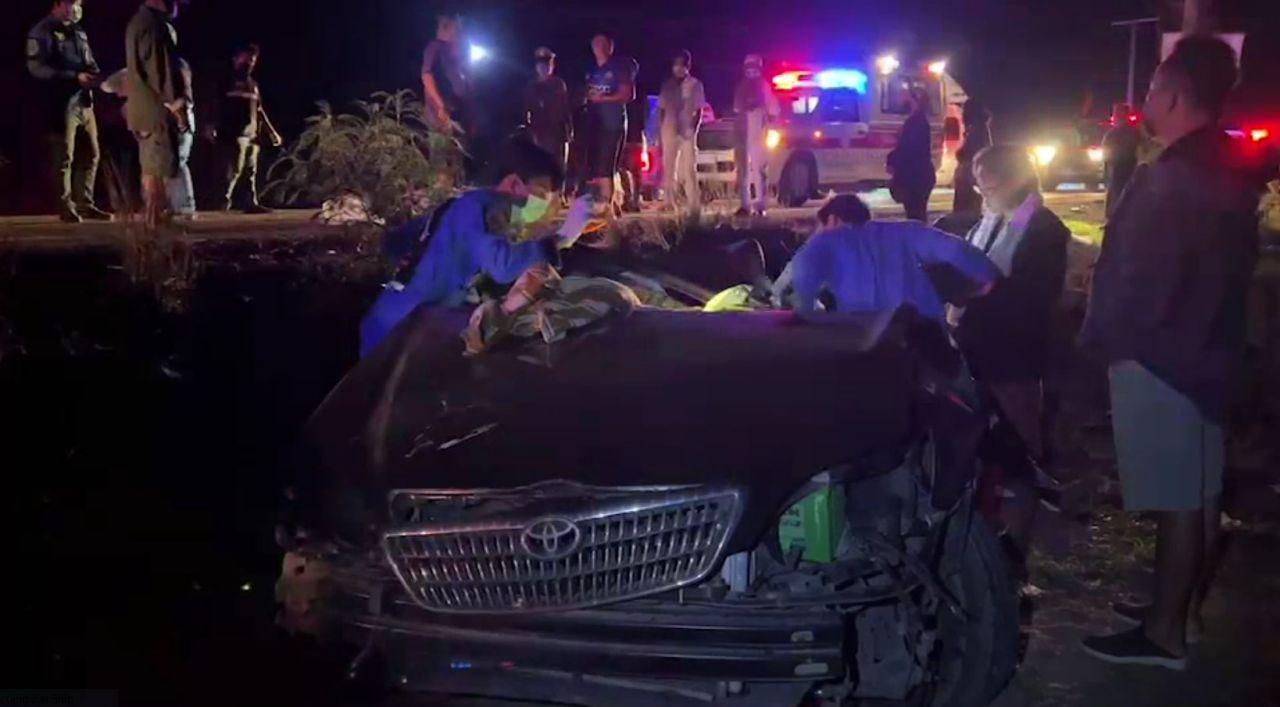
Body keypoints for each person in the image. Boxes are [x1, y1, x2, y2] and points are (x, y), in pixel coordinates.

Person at [1079, 36, 1260, 670]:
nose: (1145, 100)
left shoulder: (1172, 177)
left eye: (1153, 89)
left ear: (1175, 96)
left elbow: (1138, 275)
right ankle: (1182, 610)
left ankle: (1163, 635)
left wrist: (1108, 339)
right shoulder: (1224, 163)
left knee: (1177, 497)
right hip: (1209, 351)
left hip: (1163, 355)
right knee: (1201, 491)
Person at [359, 140, 594, 356]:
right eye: (540, 195)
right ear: (513, 184)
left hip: (403, 316)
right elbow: (502, 266)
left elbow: (396, 242)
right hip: (401, 328)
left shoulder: (471, 205)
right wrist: (561, 238)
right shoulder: (477, 208)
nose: (541, 207)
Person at [780, 194, 999, 319]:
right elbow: (955, 249)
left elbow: (799, 281)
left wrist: (804, 314)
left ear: (834, 219)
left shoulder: (825, 242)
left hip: (867, 334)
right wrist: (990, 276)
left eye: (821, 225)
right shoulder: (906, 231)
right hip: (923, 328)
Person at [27, 0, 110, 223]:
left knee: (91, 153)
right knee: (64, 157)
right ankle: (65, 206)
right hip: (60, 104)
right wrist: (72, 77)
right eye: (71, 3)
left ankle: (85, 204)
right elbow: (36, 68)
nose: (76, 8)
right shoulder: (42, 31)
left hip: (84, 101)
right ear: (57, 4)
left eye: (78, 3)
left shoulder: (78, 31)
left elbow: (89, 60)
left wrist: (96, 75)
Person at [125, 0, 187, 230]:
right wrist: (176, 106)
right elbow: (161, 72)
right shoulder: (154, 26)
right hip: (156, 111)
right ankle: (156, 225)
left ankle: (154, 223)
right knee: (159, 169)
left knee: (151, 167)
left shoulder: (138, 22)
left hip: (143, 110)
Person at [213, 44, 283, 214]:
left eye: (252, 60)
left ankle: (250, 203)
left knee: (250, 171)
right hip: (233, 133)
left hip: (252, 135)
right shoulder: (226, 81)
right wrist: (211, 125)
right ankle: (222, 205)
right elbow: (214, 105)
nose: (249, 63)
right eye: (246, 58)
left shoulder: (253, 84)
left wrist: (271, 131)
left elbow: (259, 110)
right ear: (235, 59)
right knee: (233, 171)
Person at [582, 34, 638, 210]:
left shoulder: (619, 67)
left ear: (610, 47)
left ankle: (607, 205)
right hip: (595, 124)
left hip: (613, 123)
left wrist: (603, 98)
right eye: (595, 44)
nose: (598, 47)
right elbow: (587, 94)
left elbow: (628, 94)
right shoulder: (591, 70)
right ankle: (612, 203)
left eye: (602, 44)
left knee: (607, 165)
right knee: (597, 166)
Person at [658, 50, 706, 214]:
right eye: (675, 65)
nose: (678, 68)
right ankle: (668, 202)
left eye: (681, 65)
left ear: (688, 66)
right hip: (669, 128)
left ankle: (693, 205)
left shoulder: (695, 85)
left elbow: (699, 110)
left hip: (687, 130)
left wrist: (694, 129)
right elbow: (662, 108)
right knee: (668, 167)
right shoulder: (667, 85)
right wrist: (662, 128)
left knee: (689, 168)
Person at [733, 54, 780, 216]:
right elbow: (737, 108)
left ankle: (760, 204)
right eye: (749, 68)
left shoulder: (763, 86)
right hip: (743, 132)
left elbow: (774, 109)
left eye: (754, 68)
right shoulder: (741, 87)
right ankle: (745, 204)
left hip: (758, 132)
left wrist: (766, 117)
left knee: (758, 170)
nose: (751, 72)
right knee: (743, 170)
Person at [887, 86, 936, 222]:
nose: (903, 98)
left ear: (915, 100)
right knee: (918, 214)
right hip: (921, 175)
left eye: (907, 96)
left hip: (914, 177)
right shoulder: (920, 120)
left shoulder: (915, 121)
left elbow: (909, 149)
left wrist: (892, 160)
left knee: (915, 215)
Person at [522, 47, 572, 174]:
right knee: (539, 169)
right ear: (536, 67)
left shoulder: (558, 84)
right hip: (538, 134)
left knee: (559, 168)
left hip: (557, 134)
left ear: (552, 66)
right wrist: (530, 132)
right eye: (541, 64)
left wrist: (569, 130)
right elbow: (526, 111)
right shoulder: (531, 87)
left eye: (547, 64)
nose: (544, 68)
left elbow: (565, 109)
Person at [421, 14, 471, 135]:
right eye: (457, 26)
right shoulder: (435, 47)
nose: (460, 30)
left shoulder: (459, 51)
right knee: (444, 144)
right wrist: (441, 105)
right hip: (442, 113)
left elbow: (465, 77)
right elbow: (427, 76)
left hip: (459, 110)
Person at [168, 57, 196, 219]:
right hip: (182, 113)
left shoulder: (174, 64)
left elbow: (183, 96)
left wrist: (179, 116)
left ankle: (185, 206)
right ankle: (178, 205)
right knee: (176, 162)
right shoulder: (179, 63)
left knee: (178, 161)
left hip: (180, 113)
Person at [952, 99, 991, 216]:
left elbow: (970, 152)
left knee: (966, 212)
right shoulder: (978, 129)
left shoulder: (977, 130)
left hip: (968, 179)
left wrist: (960, 156)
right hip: (969, 178)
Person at [1102, 102, 1141, 216]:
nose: (1114, 116)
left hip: (1122, 169)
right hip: (1123, 170)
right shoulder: (1134, 132)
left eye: (1116, 113)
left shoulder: (1120, 133)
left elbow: (1108, 155)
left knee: (1118, 198)